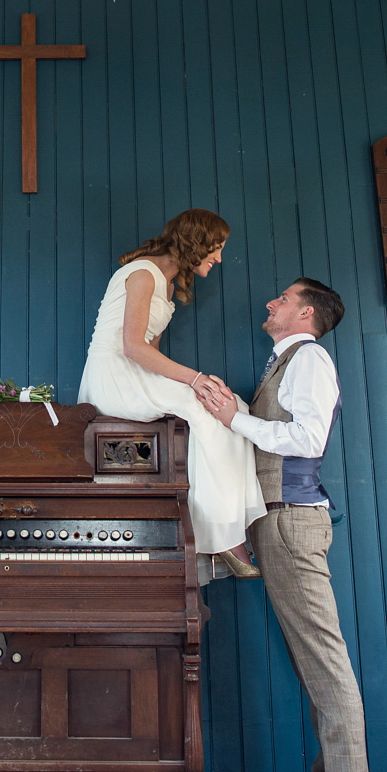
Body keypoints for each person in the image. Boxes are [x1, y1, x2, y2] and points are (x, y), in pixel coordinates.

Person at [203, 277, 375, 772]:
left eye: (282, 297)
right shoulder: (287, 363)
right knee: (312, 664)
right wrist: (238, 411)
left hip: (295, 522)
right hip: (279, 524)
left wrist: (235, 419)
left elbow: (307, 438)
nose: (270, 302)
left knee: (327, 669)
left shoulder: (311, 359)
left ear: (305, 312)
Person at [78, 209, 265, 580]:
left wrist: (197, 384)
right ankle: (221, 537)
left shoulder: (167, 285)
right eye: (216, 248)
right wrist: (194, 380)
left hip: (136, 373)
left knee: (231, 406)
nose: (219, 258)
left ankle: (230, 526)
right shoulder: (143, 274)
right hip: (112, 376)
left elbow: (152, 356)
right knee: (209, 413)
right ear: (195, 243)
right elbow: (133, 347)